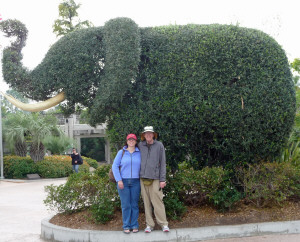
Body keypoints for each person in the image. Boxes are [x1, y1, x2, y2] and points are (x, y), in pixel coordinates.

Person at [138, 126, 169, 233]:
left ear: (153, 134)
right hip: (143, 178)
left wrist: (162, 179)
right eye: (146, 133)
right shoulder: (140, 145)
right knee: (146, 203)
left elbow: (163, 163)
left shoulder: (159, 145)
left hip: (155, 178)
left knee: (158, 202)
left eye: (150, 133)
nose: (148, 135)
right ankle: (149, 225)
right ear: (144, 135)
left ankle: (163, 224)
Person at [112, 133, 141, 234]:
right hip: (123, 181)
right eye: (130, 139)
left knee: (134, 205)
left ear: (136, 141)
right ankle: (126, 225)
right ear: (127, 141)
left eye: (133, 139)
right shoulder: (122, 152)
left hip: (136, 182)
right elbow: (114, 166)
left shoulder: (139, 152)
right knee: (125, 205)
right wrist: (118, 180)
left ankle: (134, 225)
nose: (131, 141)